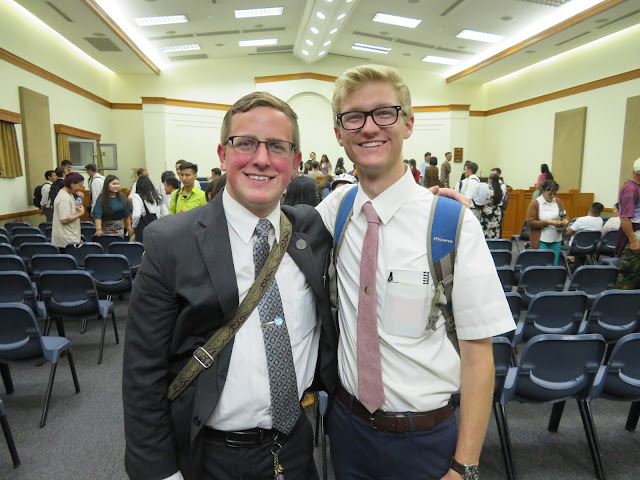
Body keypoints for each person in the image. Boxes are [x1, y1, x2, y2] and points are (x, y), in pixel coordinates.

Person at [123, 91, 337, 480]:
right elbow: (142, 371)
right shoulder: (172, 242)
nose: (261, 158)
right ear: (223, 155)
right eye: (246, 143)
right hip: (210, 455)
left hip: (295, 446)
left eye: (277, 146)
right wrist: (158, 472)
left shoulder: (311, 230)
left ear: (294, 163)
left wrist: (439, 204)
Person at [316, 64, 514, 480]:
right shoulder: (335, 211)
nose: (370, 127)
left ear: (408, 123)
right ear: (339, 133)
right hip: (347, 430)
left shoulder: (452, 223)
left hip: (423, 438)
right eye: (354, 117)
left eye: (384, 113)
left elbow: (479, 356)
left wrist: (465, 466)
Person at [526, 179, 568, 265]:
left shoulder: (558, 202)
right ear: (543, 191)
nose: (552, 196)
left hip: (556, 238)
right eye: (550, 194)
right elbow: (530, 222)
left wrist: (565, 220)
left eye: (554, 193)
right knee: (542, 264)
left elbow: (563, 215)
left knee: (554, 264)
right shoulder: (535, 203)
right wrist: (548, 222)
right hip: (541, 239)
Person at [615, 158, 640, 289]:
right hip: (633, 238)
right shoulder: (630, 189)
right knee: (628, 278)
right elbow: (625, 218)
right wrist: (633, 240)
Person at [51, 172, 84, 248]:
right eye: (79, 186)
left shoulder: (69, 194)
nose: (80, 188)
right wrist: (81, 214)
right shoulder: (64, 198)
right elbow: (64, 219)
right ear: (72, 184)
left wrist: (79, 199)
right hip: (66, 239)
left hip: (70, 236)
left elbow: (76, 209)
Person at [131, 175, 168, 242]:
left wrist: (133, 226)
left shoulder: (137, 197)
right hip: (156, 228)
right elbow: (165, 213)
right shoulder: (157, 196)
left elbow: (137, 215)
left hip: (143, 229)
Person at [480, 173, 504, 239]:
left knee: (486, 229)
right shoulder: (500, 190)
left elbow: (484, 199)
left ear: (490, 180)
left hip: (487, 211)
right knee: (495, 229)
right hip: (497, 211)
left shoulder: (487, 188)